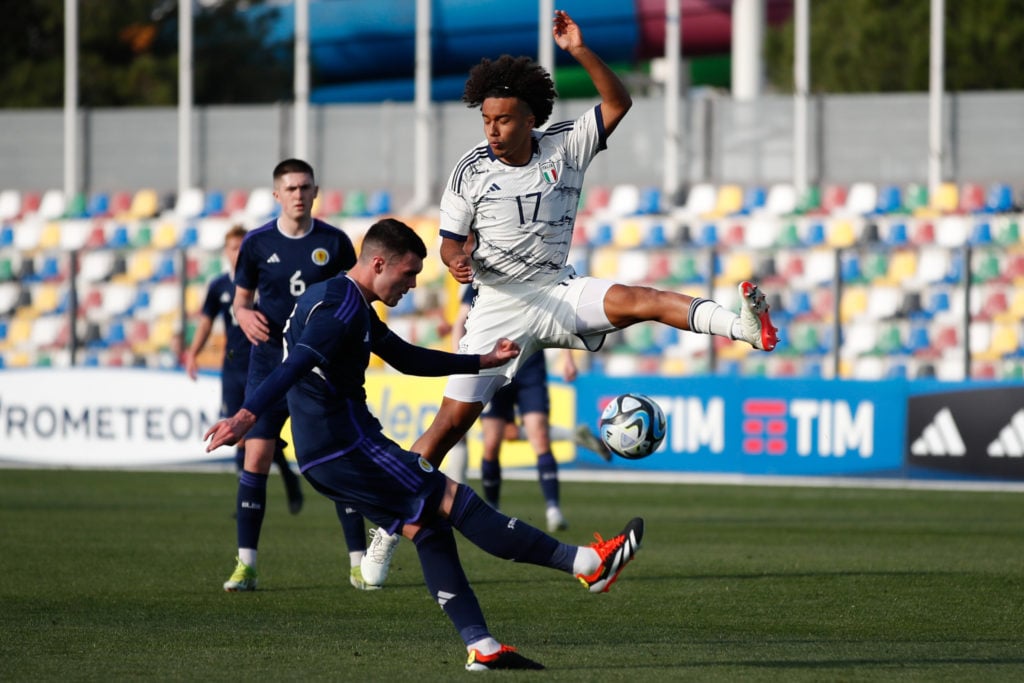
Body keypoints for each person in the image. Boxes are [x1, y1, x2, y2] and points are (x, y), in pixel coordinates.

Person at [360, 10, 778, 585]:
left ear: (531, 118)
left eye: (504, 120)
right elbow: (450, 242)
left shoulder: (568, 145)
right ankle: (386, 531)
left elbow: (618, 102)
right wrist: (457, 261)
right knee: (446, 429)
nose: (493, 130)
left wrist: (579, 49)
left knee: (642, 297)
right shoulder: (469, 172)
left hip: (557, 289)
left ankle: (744, 329)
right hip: (498, 306)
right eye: (486, 120)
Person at [204, 219, 645, 671]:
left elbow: (407, 358)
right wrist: (246, 414)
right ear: (379, 263)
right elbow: (296, 363)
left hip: (328, 455)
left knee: (429, 528)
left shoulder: (336, 299)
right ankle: (587, 563)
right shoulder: (340, 311)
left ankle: (483, 647)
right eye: (408, 274)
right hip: (348, 447)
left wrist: (481, 360)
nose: (412, 286)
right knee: (456, 500)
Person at [224, 158, 375, 592]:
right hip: (270, 361)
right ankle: (246, 565)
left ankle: (358, 563)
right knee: (256, 458)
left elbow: (356, 295)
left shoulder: (335, 242)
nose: (298, 194)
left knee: (336, 456)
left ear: (315, 191)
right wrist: (244, 315)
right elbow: (240, 301)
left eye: (305, 187)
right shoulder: (255, 244)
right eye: (290, 188)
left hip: (318, 365)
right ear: (277, 194)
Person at [182, 224, 303, 513]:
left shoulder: (266, 283)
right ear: (225, 252)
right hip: (233, 369)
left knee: (259, 436)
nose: (237, 253)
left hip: (265, 366)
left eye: (241, 247)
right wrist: (193, 353)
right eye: (232, 248)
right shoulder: (219, 286)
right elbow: (206, 322)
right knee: (241, 434)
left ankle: (273, 486)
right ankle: (252, 495)